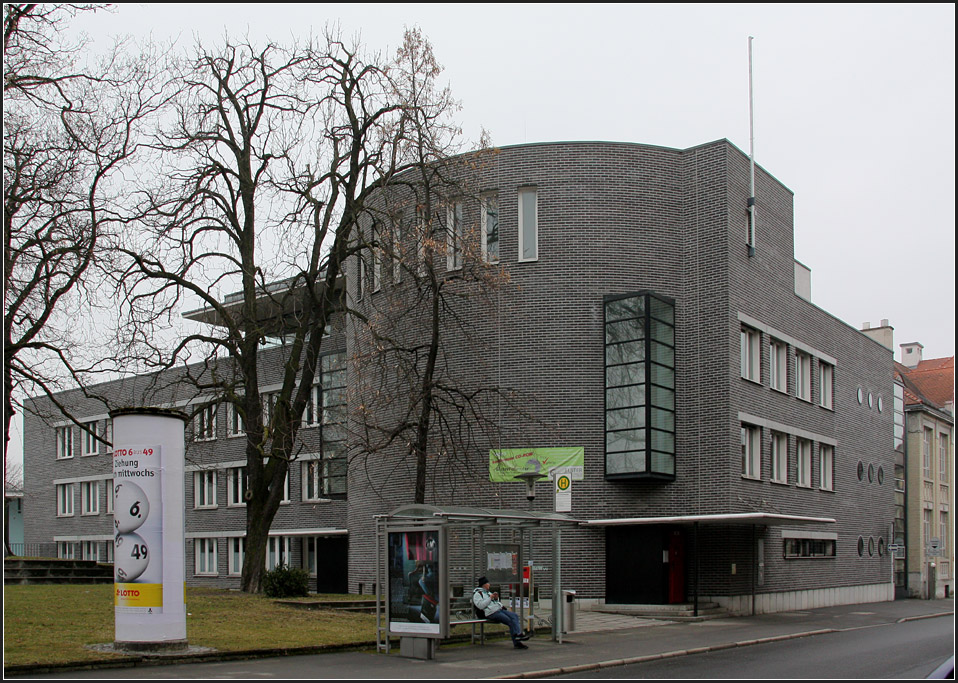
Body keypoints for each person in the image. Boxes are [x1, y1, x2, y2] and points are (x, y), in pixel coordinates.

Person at [473, 576, 531, 649]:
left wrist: (496, 598)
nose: (489, 585)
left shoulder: (488, 592)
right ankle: (517, 642)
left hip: (499, 609)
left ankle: (518, 634)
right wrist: (490, 598)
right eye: (488, 583)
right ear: (484, 584)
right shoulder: (477, 594)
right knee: (510, 621)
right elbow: (481, 606)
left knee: (514, 616)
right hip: (491, 613)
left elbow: (495, 603)